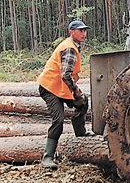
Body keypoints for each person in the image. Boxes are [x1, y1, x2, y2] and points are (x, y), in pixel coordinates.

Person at [37, 20, 94, 170]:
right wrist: (76, 91)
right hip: (50, 88)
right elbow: (66, 75)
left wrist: (77, 95)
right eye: (80, 31)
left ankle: (80, 133)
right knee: (58, 120)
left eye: (84, 31)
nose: (84, 34)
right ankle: (47, 157)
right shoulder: (69, 48)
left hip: (60, 86)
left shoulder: (72, 45)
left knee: (83, 101)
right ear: (71, 32)